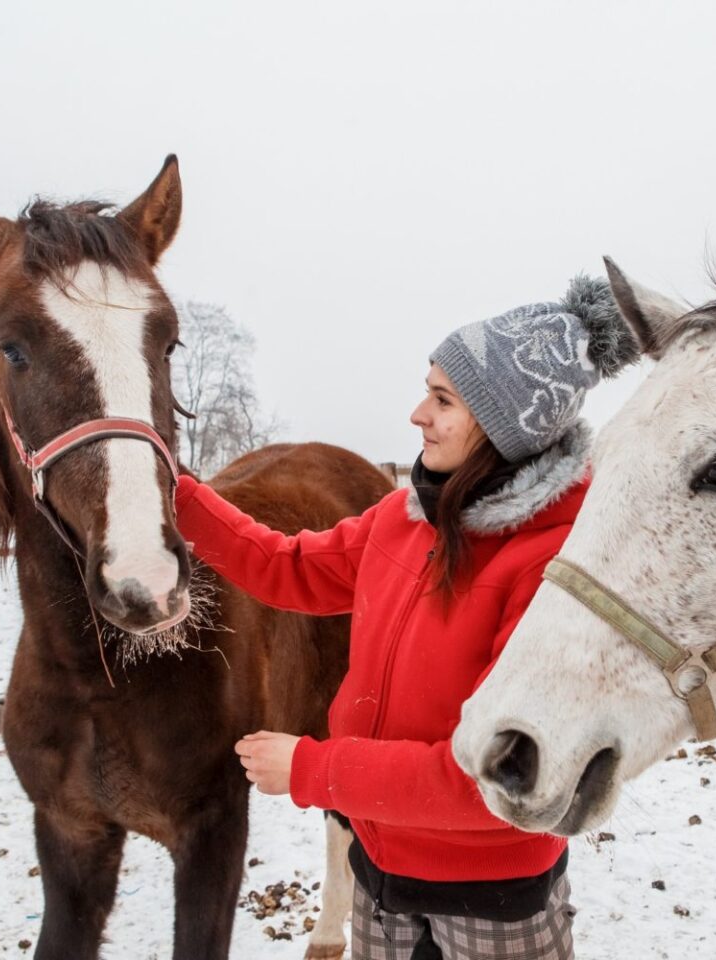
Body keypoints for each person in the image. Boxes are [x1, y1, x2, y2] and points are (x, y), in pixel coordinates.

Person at [171, 275, 636, 959]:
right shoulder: (404, 517)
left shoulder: (552, 566)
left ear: (506, 426)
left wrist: (311, 769)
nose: (418, 414)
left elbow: (496, 782)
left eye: (443, 399)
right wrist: (172, 493)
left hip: (492, 902)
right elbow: (289, 567)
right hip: (380, 875)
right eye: (428, 389)